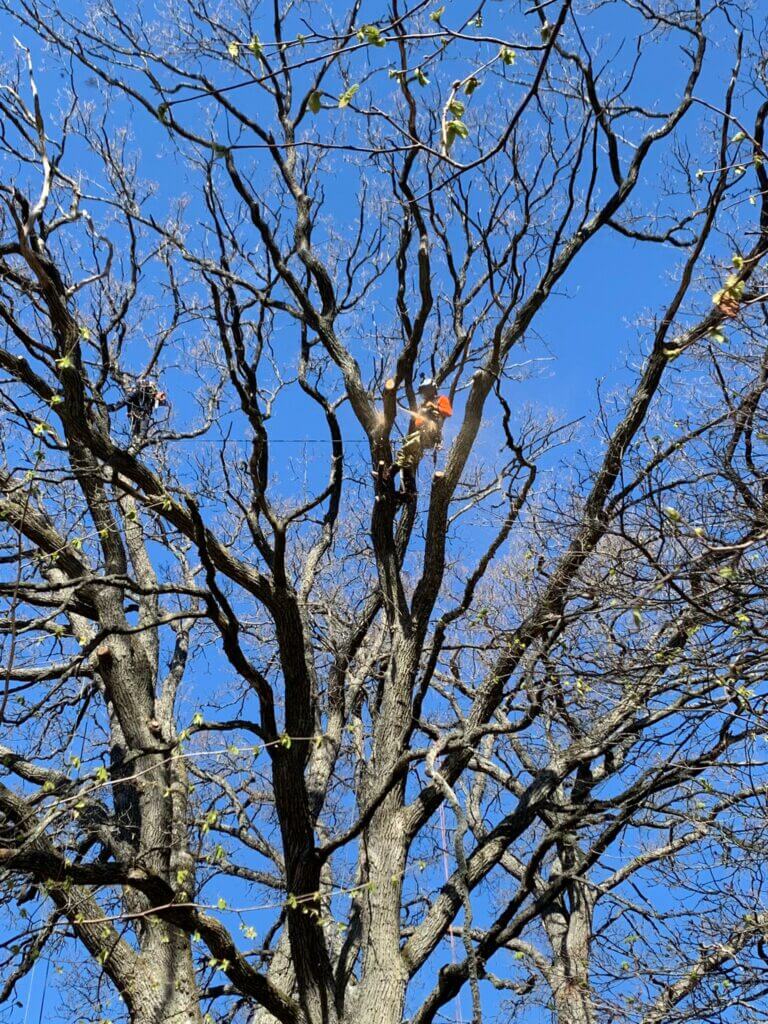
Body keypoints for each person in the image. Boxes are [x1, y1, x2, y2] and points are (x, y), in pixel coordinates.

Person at [390, 378, 452, 495]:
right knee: (409, 459)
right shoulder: (422, 405)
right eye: (423, 391)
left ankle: (391, 472)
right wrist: (424, 412)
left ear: (432, 389)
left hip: (432, 431)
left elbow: (448, 412)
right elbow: (418, 423)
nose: (425, 394)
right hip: (421, 434)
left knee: (406, 448)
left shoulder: (440, 399)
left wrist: (434, 408)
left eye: (426, 390)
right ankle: (409, 491)